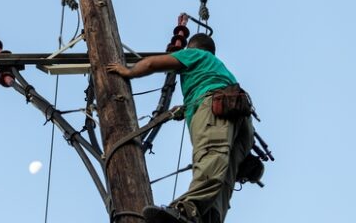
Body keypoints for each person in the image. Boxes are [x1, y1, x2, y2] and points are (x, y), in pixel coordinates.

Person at [106, 33, 254, 223]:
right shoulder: (219, 68)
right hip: (242, 123)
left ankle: (187, 211)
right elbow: (209, 88)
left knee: (210, 156)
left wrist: (127, 71)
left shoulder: (195, 55)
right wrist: (184, 110)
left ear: (192, 48)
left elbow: (151, 64)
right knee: (225, 177)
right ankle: (208, 219)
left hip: (216, 111)